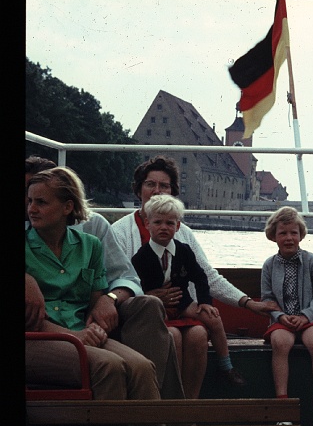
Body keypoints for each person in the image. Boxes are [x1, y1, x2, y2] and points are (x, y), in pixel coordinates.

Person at [111, 156, 279, 394]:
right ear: (139, 189)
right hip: (143, 314)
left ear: (173, 192)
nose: (157, 191)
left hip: (182, 307)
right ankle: (165, 409)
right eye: (150, 184)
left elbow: (207, 277)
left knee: (199, 334)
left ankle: (190, 408)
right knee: (172, 337)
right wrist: (149, 296)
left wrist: (248, 303)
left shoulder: (184, 233)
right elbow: (115, 281)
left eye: (165, 186)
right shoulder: (119, 232)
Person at [25, 155, 184, 399]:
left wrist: (106, 301)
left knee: (142, 365)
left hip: (84, 324)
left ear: (67, 206)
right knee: (109, 366)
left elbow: (124, 279)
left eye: (41, 201)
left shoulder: (90, 238)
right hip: (43, 335)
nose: (30, 209)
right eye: (29, 200)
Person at [132, 194, 245, 397]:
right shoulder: (141, 257)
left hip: (182, 301)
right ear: (147, 224)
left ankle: (226, 365)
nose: (164, 227)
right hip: (158, 306)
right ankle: (169, 392)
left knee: (214, 318)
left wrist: (205, 302)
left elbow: (200, 277)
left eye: (170, 223)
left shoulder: (184, 251)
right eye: (158, 222)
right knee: (168, 332)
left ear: (178, 226)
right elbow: (136, 287)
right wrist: (151, 297)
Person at [261, 206, 313, 426]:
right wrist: (280, 316)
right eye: (283, 233)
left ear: (301, 235)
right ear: (274, 236)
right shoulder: (269, 265)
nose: (289, 238)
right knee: (280, 343)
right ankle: (283, 408)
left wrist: (305, 316)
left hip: (310, 319)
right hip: (282, 319)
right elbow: (267, 299)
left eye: (293, 233)